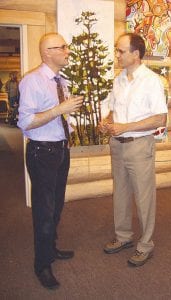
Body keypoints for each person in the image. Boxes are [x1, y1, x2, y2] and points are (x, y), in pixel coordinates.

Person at [18, 32, 83, 289]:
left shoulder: (60, 81)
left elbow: (56, 116)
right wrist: (59, 110)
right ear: (47, 53)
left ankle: (51, 248)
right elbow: (25, 122)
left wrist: (68, 123)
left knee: (55, 207)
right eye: (62, 47)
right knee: (44, 212)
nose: (67, 50)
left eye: (66, 46)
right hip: (41, 153)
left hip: (60, 150)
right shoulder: (31, 81)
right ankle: (41, 264)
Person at [99, 33, 168, 267]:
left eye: (120, 51)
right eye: (117, 50)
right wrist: (106, 121)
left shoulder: (151, 81)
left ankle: (146, 245)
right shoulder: (118, 79)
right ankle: (123, 237)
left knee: (144, 197)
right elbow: (111, 108)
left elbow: (160, 118)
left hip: (139, 146)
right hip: (117, 145)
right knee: (120, 193)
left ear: (135, 54)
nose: (116, 55)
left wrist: (125, 127)